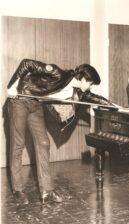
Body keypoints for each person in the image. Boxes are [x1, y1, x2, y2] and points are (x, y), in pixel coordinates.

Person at [7, 59, 115, 205]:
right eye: (90, 83)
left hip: (35, 104)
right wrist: (12, 86)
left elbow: (94, 99)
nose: (90, 87)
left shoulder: (78, 91)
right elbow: (27, 63)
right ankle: (17, 190)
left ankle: (46, 191)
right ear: (83, 79)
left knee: (43, 143)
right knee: (18, 144)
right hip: (20, 100)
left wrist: (116, 107)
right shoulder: (58, 73)